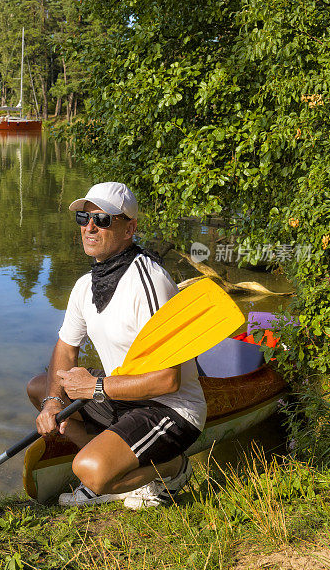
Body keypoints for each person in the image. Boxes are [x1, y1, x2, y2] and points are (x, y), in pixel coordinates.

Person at [27, 182, 206, 508]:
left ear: (130, 228)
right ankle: (114, 458)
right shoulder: (84, 286)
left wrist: (95, 388)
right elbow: (66, 348)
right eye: (84, 218)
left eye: (103, 219)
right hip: (121, 396)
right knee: (40, 387)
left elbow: (169, 379)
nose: (90, 227)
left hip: (169, 407)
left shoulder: (149, 283)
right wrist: (53, 402)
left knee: (89, 470)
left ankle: (171, 468)